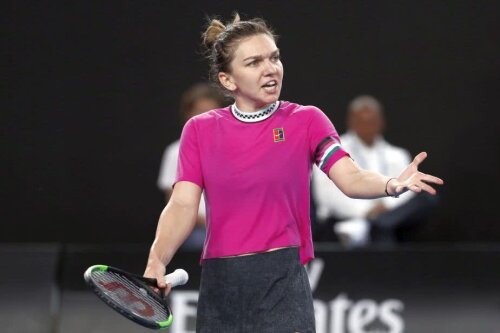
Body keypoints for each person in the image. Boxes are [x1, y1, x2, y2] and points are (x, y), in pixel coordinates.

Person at [144, 14, 443, 332]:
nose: (270, 68)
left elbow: (351, 177)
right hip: (221, 284)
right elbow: (182, 204)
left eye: (274, 57)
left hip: (283, 283)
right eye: (254, 62)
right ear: (228, 80)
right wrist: (156, 260)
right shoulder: (200, 130)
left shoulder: (307, 121)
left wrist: (392, 183)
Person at [312, 95, 438, 247]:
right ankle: (376, 225)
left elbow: (406, 190)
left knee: (425, 197)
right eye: (362, 122)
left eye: (371, 122)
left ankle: (376, 224)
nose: (367, 126)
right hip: (345, 220)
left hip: (388, 216)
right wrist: (366, 212)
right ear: (351, 122)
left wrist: (385, 208)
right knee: (382, 232)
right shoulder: (332, 150)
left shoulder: (397, 155)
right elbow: (327, 196)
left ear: (381, 123)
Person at [157, 83, 228, 250]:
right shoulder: (175, 152)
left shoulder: (236, 149)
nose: (205, 119)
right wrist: (213, 224)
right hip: (197, 230)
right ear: (187, 114)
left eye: (211, 113)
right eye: (199, 112)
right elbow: (175, 204)